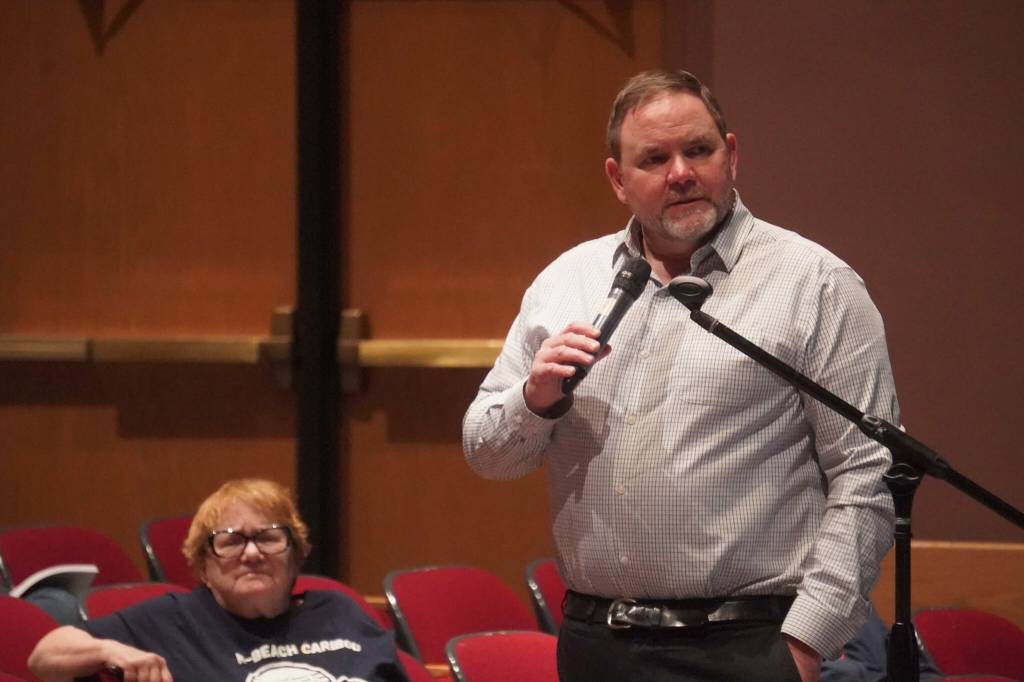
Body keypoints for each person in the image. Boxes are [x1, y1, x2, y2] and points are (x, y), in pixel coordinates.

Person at [463, 69, 900, 682]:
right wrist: (535, 399)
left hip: (748, 645)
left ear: (732, 154)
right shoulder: (568, 280)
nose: (681, 173)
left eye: (699, 150)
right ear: (618, 179)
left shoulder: (814, 283)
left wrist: (803, 646)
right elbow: (489, 454)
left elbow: (866, 473)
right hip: (597, 643)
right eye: (654, 158)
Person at [29, 478, 408, 682]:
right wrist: (109, 651)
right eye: (230, 541)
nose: (252, 553)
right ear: (203, 566)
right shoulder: (174, 620)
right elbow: (43, 656)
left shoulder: (338, 610)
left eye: (269, 537)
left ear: (296, 555)